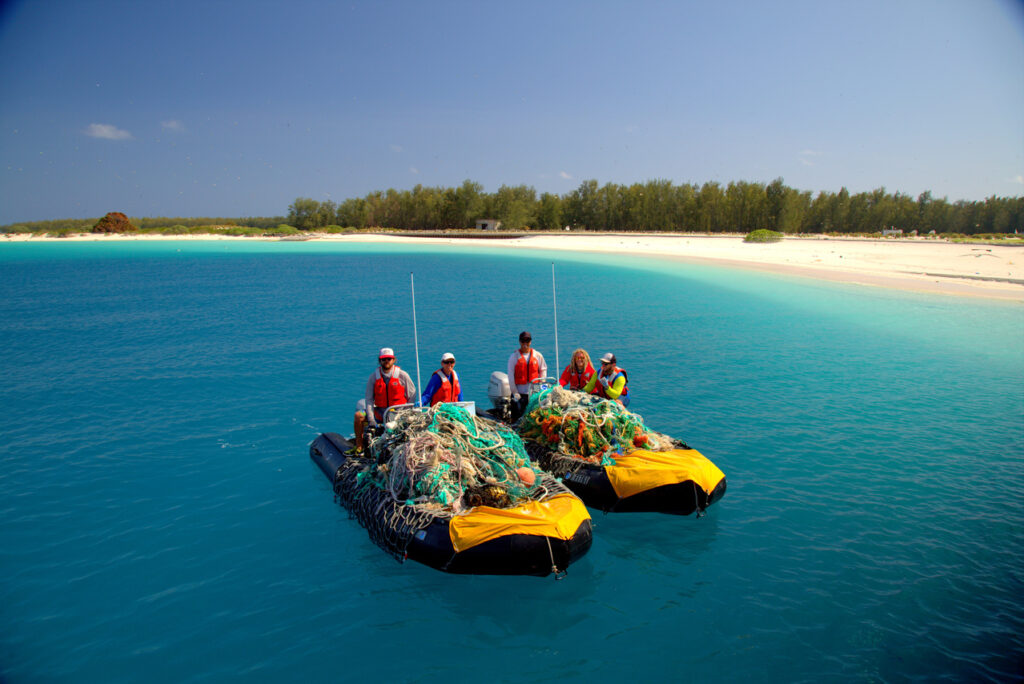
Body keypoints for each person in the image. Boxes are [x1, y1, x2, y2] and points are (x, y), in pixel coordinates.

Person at [351, 347, 417, 453]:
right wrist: (371, 419)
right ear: (380, 360)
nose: (386, 361)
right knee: (359, 415)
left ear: (394, 360)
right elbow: (369, 399)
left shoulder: (403, 376)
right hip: (380, 412)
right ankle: (359, 446)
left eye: (389, 359)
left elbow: (412, 396)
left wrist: (404, 413)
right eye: (384, 359)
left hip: (397, 413)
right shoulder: (373, 377)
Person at [507, 331, 547, 416]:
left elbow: (543, 370)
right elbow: (510, 377)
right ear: (519, 342)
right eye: (523, 341)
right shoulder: (514, 357)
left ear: (530, 341)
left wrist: (540, 388)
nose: (525, 343)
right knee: (518, 416)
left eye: (527, 340)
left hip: (534, 393)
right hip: (520, 394)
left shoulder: (538, 355)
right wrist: (515, 393)